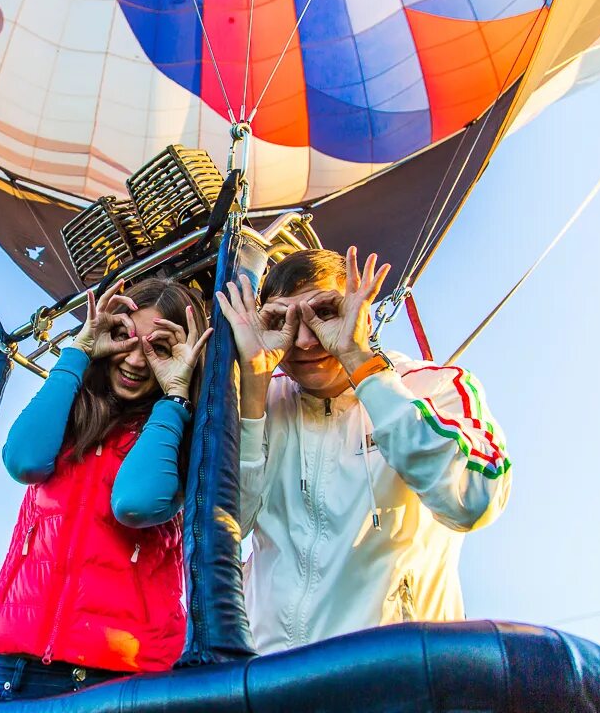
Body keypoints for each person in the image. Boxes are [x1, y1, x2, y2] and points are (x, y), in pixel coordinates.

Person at [216, 247, 511, 653]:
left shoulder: (433, 387)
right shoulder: (263, 401)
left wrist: (361, 363)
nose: (303, 339)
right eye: (282, 320)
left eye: (326, 312)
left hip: (391, 676)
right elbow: (231, 525)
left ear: (364, 313)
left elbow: (475, 498)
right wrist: (252, 385)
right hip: (273, 677)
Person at [0, 277, 212, 701]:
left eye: (158, 347)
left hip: (123, 675)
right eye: (123, 337)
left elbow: (135, 503)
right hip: (22, 668)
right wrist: (78, 352)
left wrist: (175, 397)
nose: (136, 360)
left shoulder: (178, 436)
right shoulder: (72, 412)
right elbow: (23, 459)